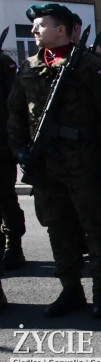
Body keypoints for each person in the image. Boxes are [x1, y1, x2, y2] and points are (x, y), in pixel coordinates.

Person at [8, 3, 101, 318]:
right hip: (46, 169)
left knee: (96, 229)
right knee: (58, 229)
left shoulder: (91, 66)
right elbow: (15, 116)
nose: (33, 30)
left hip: (85, 167)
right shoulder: (28, 68)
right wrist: (21, 152)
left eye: (40, 25)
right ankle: (71, 289)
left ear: (61, 29)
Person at [0, 44, 23, 270]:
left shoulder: (3, 63)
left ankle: (13, 246)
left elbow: (14, 105)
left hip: (2, 146)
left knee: (5, 198)